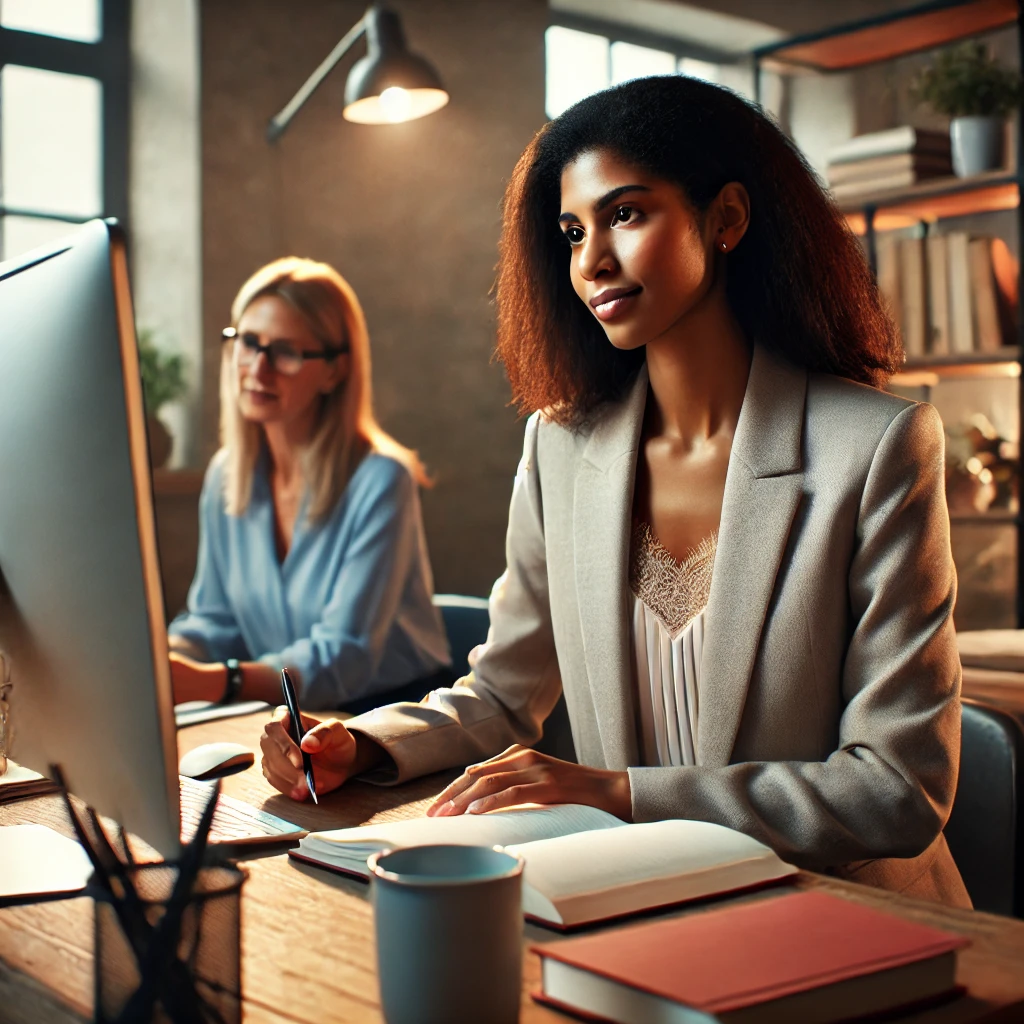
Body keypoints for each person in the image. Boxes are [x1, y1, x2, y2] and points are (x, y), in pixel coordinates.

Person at [260, 77, 969, 906]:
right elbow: (503, 693)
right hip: (633, 907)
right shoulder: (560, 446)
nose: (591, 259)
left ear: (727, 218)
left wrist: (620, 794)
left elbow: (896, 789)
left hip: (846, 915)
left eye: (626, 214)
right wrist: (363, 746)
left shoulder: (877, 447)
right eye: (571, 231)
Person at [168, 257, 451, 709]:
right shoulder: (227, 475)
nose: (258, 369)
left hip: (391, 719)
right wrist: (166, 661)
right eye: (248, 342)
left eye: (285, 352)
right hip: (290, 712)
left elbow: (344, 656)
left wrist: (214, 683)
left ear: (335, 370)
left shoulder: (381, 479)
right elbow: (214, 622)